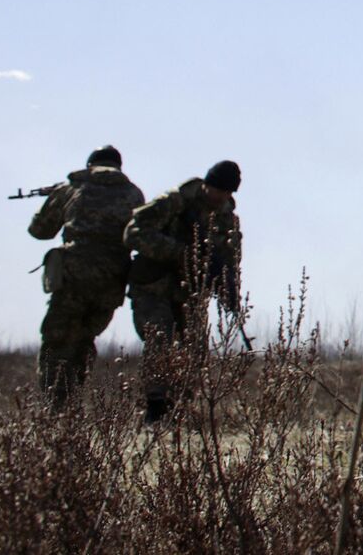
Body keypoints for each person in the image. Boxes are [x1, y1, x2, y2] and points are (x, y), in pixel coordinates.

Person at [124, 159, 244, 422]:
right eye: (217, 190)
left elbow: (229, 259)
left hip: (189, 292)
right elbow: (134, 232)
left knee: (195, 349)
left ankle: (179, 410)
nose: (220, 197)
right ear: (206, 185)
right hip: (154, 284)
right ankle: (155, 410)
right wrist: (180, 253)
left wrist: (229, 289)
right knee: (160, 339)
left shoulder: (226, 219)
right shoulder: (175, 201)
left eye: (226, 193)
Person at [26, 145, 144, 406]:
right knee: (84, 340)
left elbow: (39, 230)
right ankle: (72, 408)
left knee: (57, 341)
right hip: (111, 285)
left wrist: (54, 199)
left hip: (73, 279)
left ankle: (54, 410)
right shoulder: (134, 194)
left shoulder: (74, 187)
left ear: (91, 163)